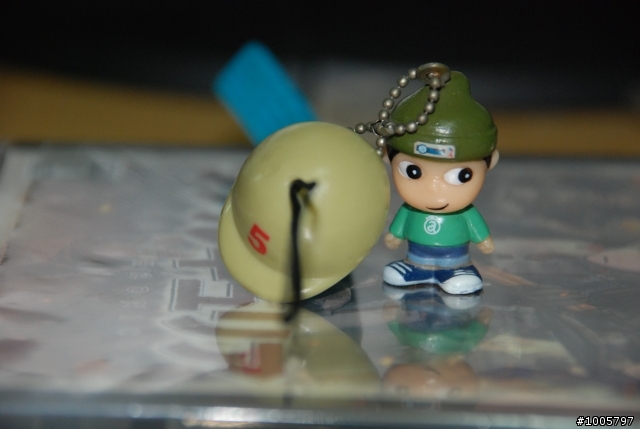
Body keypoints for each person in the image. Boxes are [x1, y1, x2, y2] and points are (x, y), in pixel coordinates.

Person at [383, 71, 499, 294]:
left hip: (455, 257)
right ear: (388, 157)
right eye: (413, 172)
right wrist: (394, 235)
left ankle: (458, 272)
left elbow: (476, 226)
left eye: (461, 176)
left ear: (490, 162)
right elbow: (401, 223)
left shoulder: (465, 213)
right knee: (409, 266)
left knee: (457, 271)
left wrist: (483, 240)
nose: (433, 190)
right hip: (416, 255)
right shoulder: (410, 210)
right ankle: (416, 269)